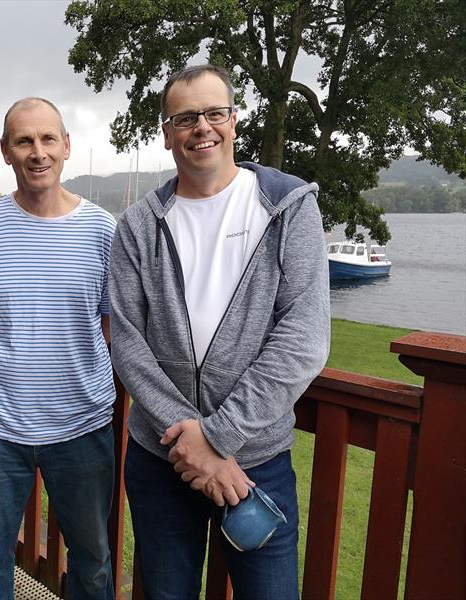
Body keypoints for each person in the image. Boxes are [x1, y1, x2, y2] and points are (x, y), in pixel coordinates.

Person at [109, 64, 330, 599]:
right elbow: (127, 342)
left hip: (257, 463)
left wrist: (217, 439)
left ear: (234, 121)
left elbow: (304, 338)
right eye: (185, 117)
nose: (201, 127)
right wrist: (192, 442)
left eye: (213, 112)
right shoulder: (138, 225)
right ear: (166, 133)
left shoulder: (288, 206)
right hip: (161, 461)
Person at [0, 97, 117, 600]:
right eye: (24, 140)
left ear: (67, 147)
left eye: (47, 139)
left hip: (81, 424)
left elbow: (108, 323)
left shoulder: (102, 229)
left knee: (94, 564)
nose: (37, 152)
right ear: (6, 151)